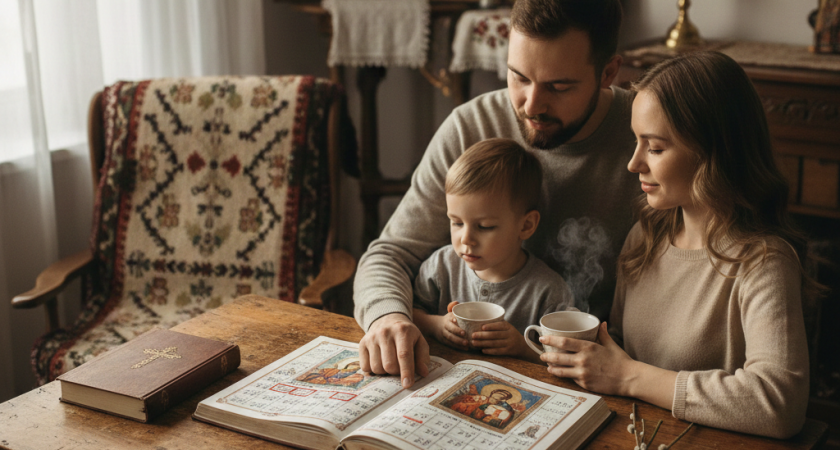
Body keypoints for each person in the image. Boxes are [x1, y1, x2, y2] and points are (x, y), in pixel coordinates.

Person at [355, 0, 638, 389]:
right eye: (518, 77)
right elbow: (389, 254)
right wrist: (389, 318)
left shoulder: (647, 136)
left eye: (558, 86)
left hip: (592, 380)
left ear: (608, 72)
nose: (531, 104)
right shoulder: (471, 126)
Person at [540, 51, 820, 439]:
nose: (633, 163)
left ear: (712, 153)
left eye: (655, 148)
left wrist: (628, 378)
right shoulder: (644, 238)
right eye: (637, 143)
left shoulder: (763, 262)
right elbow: (621, 350)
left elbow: (780, 404)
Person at [412, 138, 574, 362]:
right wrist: (435, 325)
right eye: (457, 223)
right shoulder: (441, 267)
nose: (466, 238)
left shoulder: (548, 291)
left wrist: (523, 347)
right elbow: (408, 311)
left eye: (484, 226)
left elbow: (569, 357)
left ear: (526, 225)